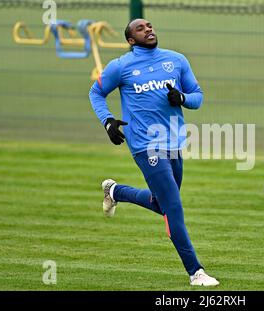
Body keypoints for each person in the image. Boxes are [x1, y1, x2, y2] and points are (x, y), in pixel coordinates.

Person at [89, 19, 219, 286]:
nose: (147, 29)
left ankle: (115, 192)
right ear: (131, 41)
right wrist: (108, 120)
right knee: (173, 207)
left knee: (161, 204)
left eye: (149, 25)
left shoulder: (177, 60)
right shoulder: (121, 66)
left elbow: (198, 95)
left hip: (174, 143)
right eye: (140, 28)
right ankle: (196, 272)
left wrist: (182, 98)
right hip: (145, 145)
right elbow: (96, 92)